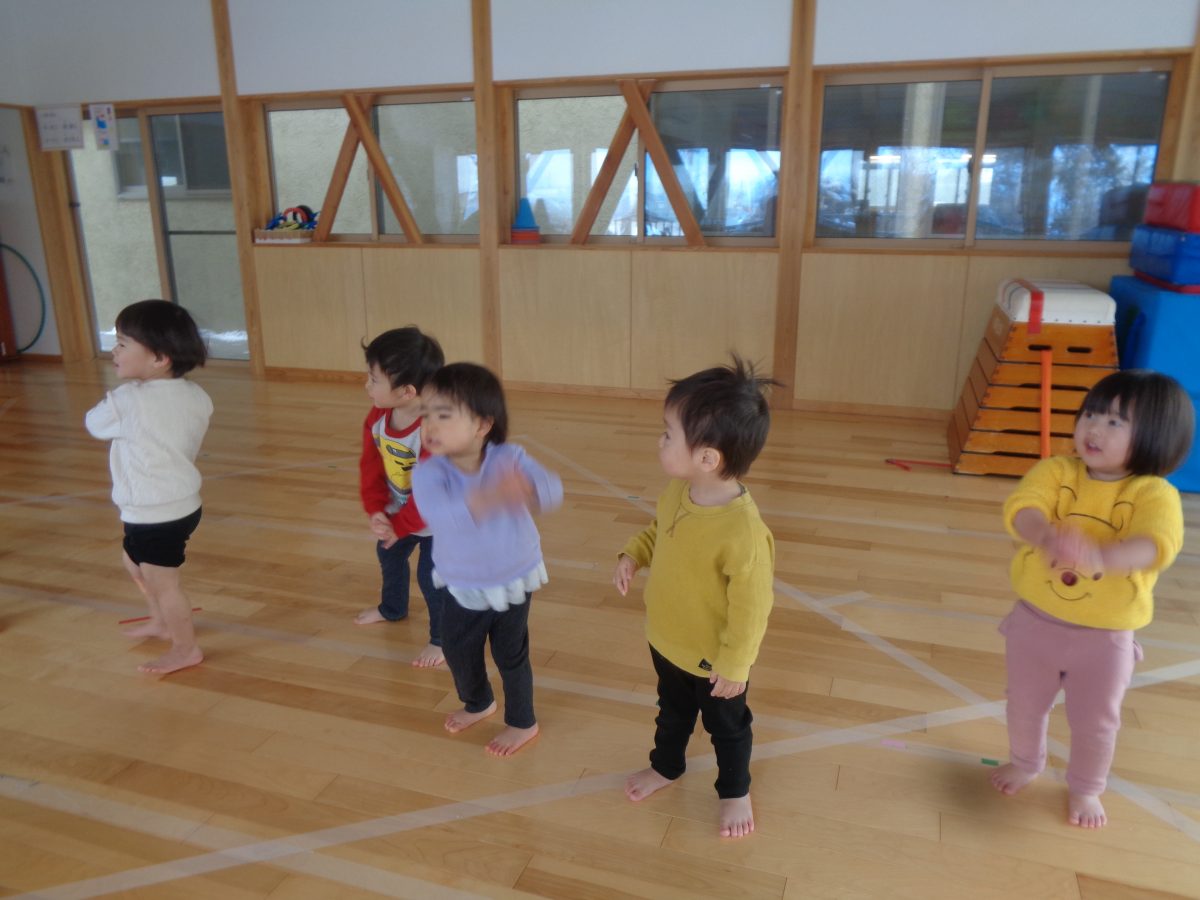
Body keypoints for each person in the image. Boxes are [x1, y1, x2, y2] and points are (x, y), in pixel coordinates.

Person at [990, 369, 1194, 828]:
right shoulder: (1057, 471)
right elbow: (1023, 509)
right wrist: (1045, 535)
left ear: (1156, 435)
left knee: (1096, 723)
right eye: (1090, 414)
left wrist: (1104, 556)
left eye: (1115, 421)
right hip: (1034, 622)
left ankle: (1086, 787)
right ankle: (1025, 762)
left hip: (1104, 639)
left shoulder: (1153, 493)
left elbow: (1157, 544)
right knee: (1023, 705)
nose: (1094, 428)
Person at [613, 356, 778, 838]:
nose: (659, 441)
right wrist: (633, 554)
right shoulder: (678, 491)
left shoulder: (743, 534)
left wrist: (736, 664)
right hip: (667, 640)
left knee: (727, 728)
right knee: (672, 714)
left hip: (715, 663)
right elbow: (658, 530)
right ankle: (666, 766)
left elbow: (753, 610)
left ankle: (735, 791)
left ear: (708, 458)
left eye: (669, 434)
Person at [411, 363, 562, 757]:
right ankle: (478, 702)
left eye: (443, 415)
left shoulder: (509, 457)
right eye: (425, 414)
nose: (429, 425)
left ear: (482, 424)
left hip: (515, 577)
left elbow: (551, 488)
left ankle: (522, 721)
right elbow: (443, 516)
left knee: (511, 653)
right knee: (458, 650)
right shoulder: (429, 474)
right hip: (464, 583)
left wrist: (531, 488)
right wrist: (493, 496)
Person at [84, 300, 212, 675]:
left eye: (123, 343)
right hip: (180, 505)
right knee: (133, 562)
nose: (114, 351)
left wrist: (121, 399)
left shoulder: (127, 401)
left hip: (155, 512)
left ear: (158, 358)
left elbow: (94, 424)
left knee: (164, 583)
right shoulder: (195, 394)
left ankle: (185, 648)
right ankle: (160, 620)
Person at [354, 326, 450, 668]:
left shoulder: (436, 430)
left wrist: (399, 525)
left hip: (440, 518)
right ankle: (392, 608)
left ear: (407, 391)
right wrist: (377, 510)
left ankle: (442, 639)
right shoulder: (378, 417)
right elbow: (370, 466)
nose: (367, 386)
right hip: (402, 511)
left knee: (431, 578)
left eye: (374, 379)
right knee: (389, 553)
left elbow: (431, 498)